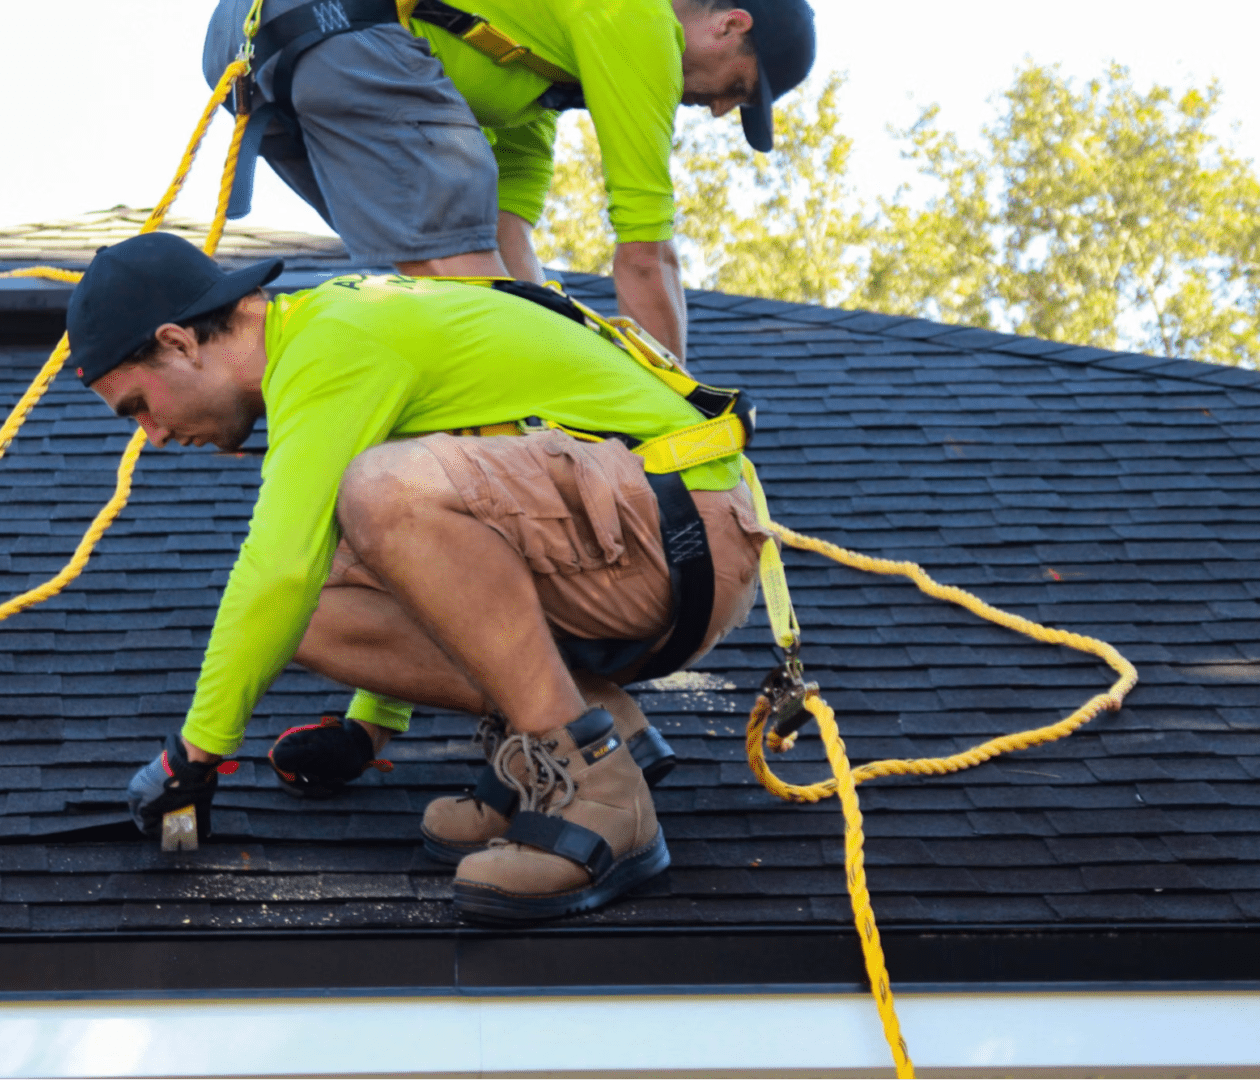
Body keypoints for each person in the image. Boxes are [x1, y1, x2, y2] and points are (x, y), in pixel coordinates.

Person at [68, 232, 770, 920]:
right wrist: (367, 729)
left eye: (138, 407)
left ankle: (602, 792)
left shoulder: (333, 341)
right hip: (638, 535)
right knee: (310, 599)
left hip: (680, 528)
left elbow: (279, 566)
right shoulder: (331, 330)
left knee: (366, 500)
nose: (152, 437)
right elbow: (391, 562)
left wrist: (192, 758)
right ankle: (588, 724)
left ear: (178, 342)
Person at [203, 0, 816, 360]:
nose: (715, 111)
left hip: (268, 54)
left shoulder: (534, 69)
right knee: (482, 323)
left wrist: (555, 347)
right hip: (334, 25)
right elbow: (646, 257)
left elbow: (503, 233)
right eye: (737, 88)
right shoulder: (642, 21)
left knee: (464, 309)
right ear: (731, 25)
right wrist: (676, 421)